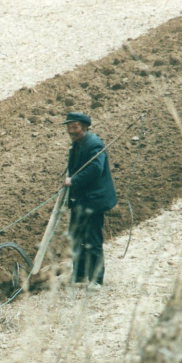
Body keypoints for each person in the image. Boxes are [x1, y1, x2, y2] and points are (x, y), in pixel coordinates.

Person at [62, 112, 117, 288]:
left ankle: (96, 279)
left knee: (92, 239)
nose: (71, 130)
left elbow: (95, 169)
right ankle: (79, 275)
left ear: (85, 127)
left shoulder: (94, 145)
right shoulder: (77, 145)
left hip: (94, 200)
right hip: (80, 200)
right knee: (77, 237)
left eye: (75, 126)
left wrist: (74, 181)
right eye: (69, 127)